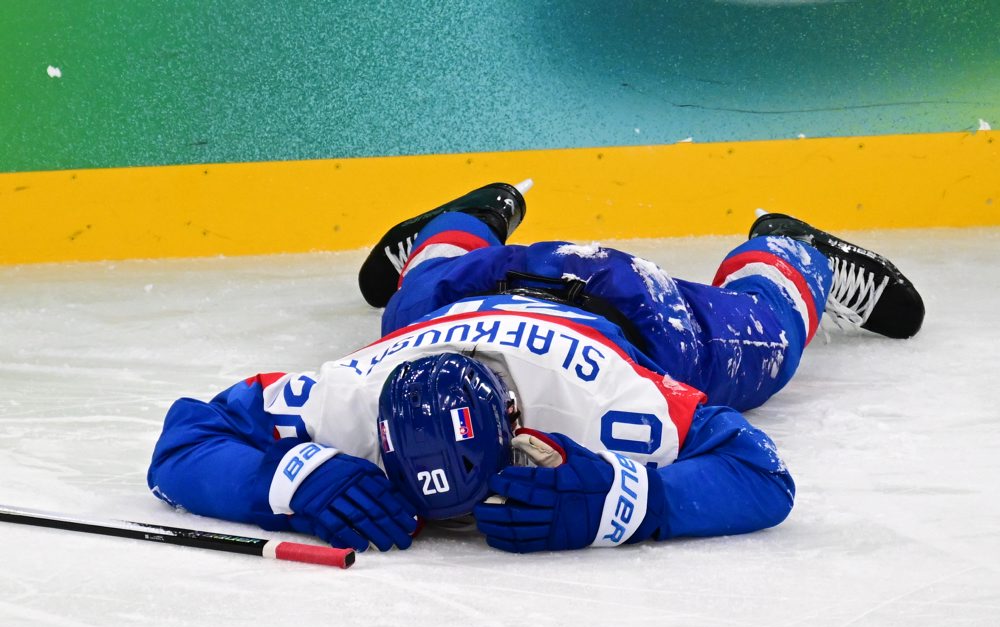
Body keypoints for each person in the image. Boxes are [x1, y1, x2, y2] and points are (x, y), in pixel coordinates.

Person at [148, 181, 924, 553]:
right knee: (410, 305)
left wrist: (627, 499)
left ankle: (791, 248)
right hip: (462, 302)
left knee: (760, 347)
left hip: (628, 308)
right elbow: (181, 440)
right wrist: (295, 478)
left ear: (522, 425)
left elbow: (762, 476)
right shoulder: (351, 391)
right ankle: (476, 217)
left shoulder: (613, 400)